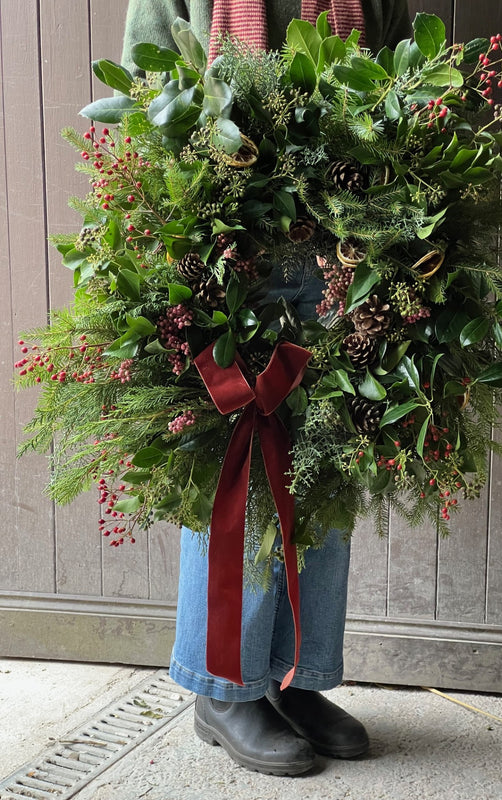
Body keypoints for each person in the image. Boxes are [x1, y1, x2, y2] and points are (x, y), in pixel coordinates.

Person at [121, 0, 411, 777]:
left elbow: (402, 79)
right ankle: (223, 688)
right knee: (236, 463)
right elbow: (148, 87)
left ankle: (297, 677)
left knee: (325, 458)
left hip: (338, 240)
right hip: (224, 242)